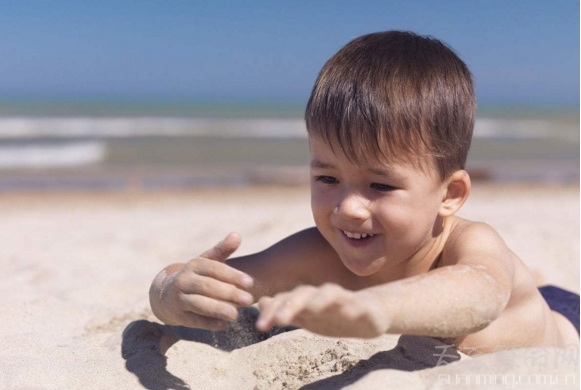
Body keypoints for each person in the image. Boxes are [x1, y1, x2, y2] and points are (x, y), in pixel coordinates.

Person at [149, 30, 579, 354]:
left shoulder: (468, 243)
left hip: (567, 322)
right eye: (328, 179)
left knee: (523, 283)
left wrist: (378, 309)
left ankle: (538, 283)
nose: (348, 208)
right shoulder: (316, 253)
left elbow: (480, 295)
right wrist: (171, 293)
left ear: (450, 193)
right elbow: (211, 283)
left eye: (380, 185)